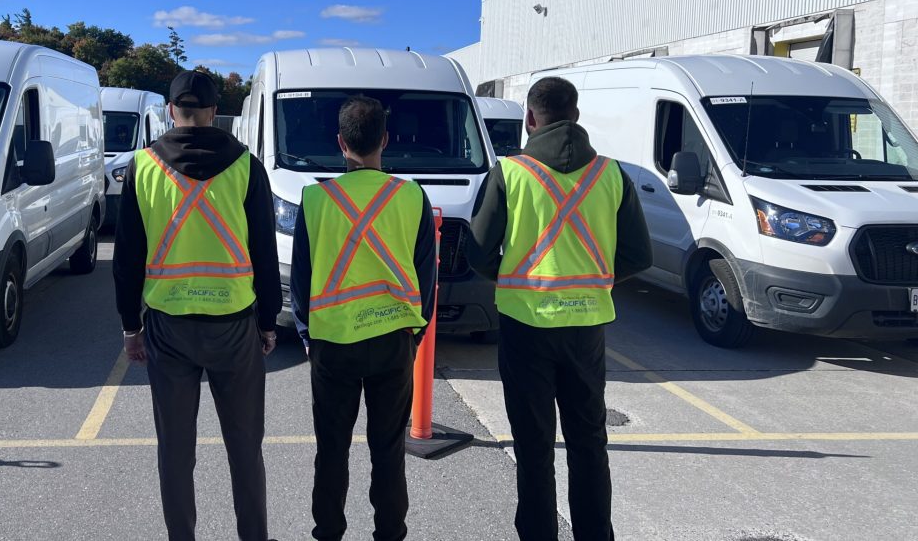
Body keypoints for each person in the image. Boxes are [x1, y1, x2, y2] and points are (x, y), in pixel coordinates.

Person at [468, 77, 651, 541]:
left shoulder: (510, 173)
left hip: (525, 326)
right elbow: (637, 255)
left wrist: (514, 276)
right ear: (577, 114)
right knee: (589, 442)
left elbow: (478, 252)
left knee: (533, 447)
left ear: (531, 118)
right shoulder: (610, 174)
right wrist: (593, 280)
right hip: (586, 329)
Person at [112, 70, 282, 541]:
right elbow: (264, 254)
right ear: (214, 114)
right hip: (234, 326)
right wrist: (268, 322)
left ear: (171, 110)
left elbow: (126, 258)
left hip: (168, 327)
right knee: (245, 449)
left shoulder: (143, 167)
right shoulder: (247, 166)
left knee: (175, 452)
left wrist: (130, 326)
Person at [290, 95, 437, 541]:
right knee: (388, 452)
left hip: (333, 345)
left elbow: (301, 281)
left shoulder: (315, 199)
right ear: (385, 140)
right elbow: (427, 277)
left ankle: (328, 532)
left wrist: (308, 337)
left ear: (340, 143)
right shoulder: (412, 195)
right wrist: (415, 334)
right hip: (394, 340)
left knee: (331, 450)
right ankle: (390, 533)